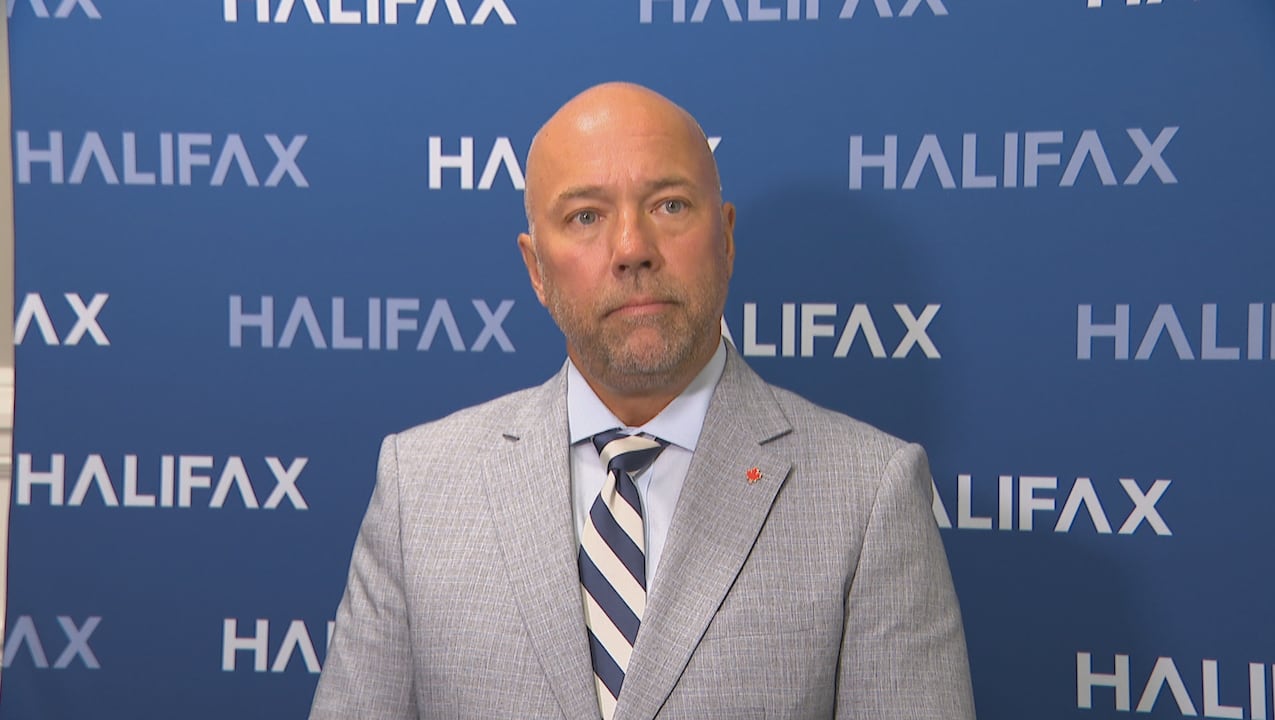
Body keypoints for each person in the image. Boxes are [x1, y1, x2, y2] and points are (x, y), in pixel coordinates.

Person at [310, 82, 976, 720]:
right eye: (586, 216)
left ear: (727, 238)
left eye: (670, 206)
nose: (632, 248)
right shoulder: (419, 487)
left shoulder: (868, 494)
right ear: (536, 270)